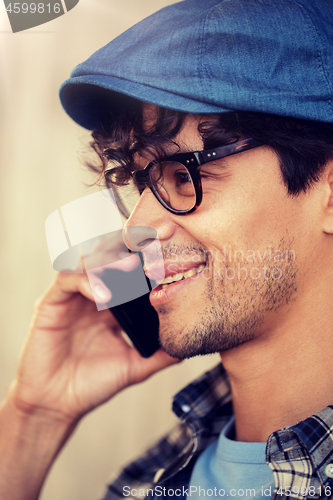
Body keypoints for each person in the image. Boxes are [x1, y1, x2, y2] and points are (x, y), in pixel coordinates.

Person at [1, 0, 333, 499]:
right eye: (140, 182)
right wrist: (35, 416)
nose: (137, 225)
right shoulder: (144, 481)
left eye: (184, 174)